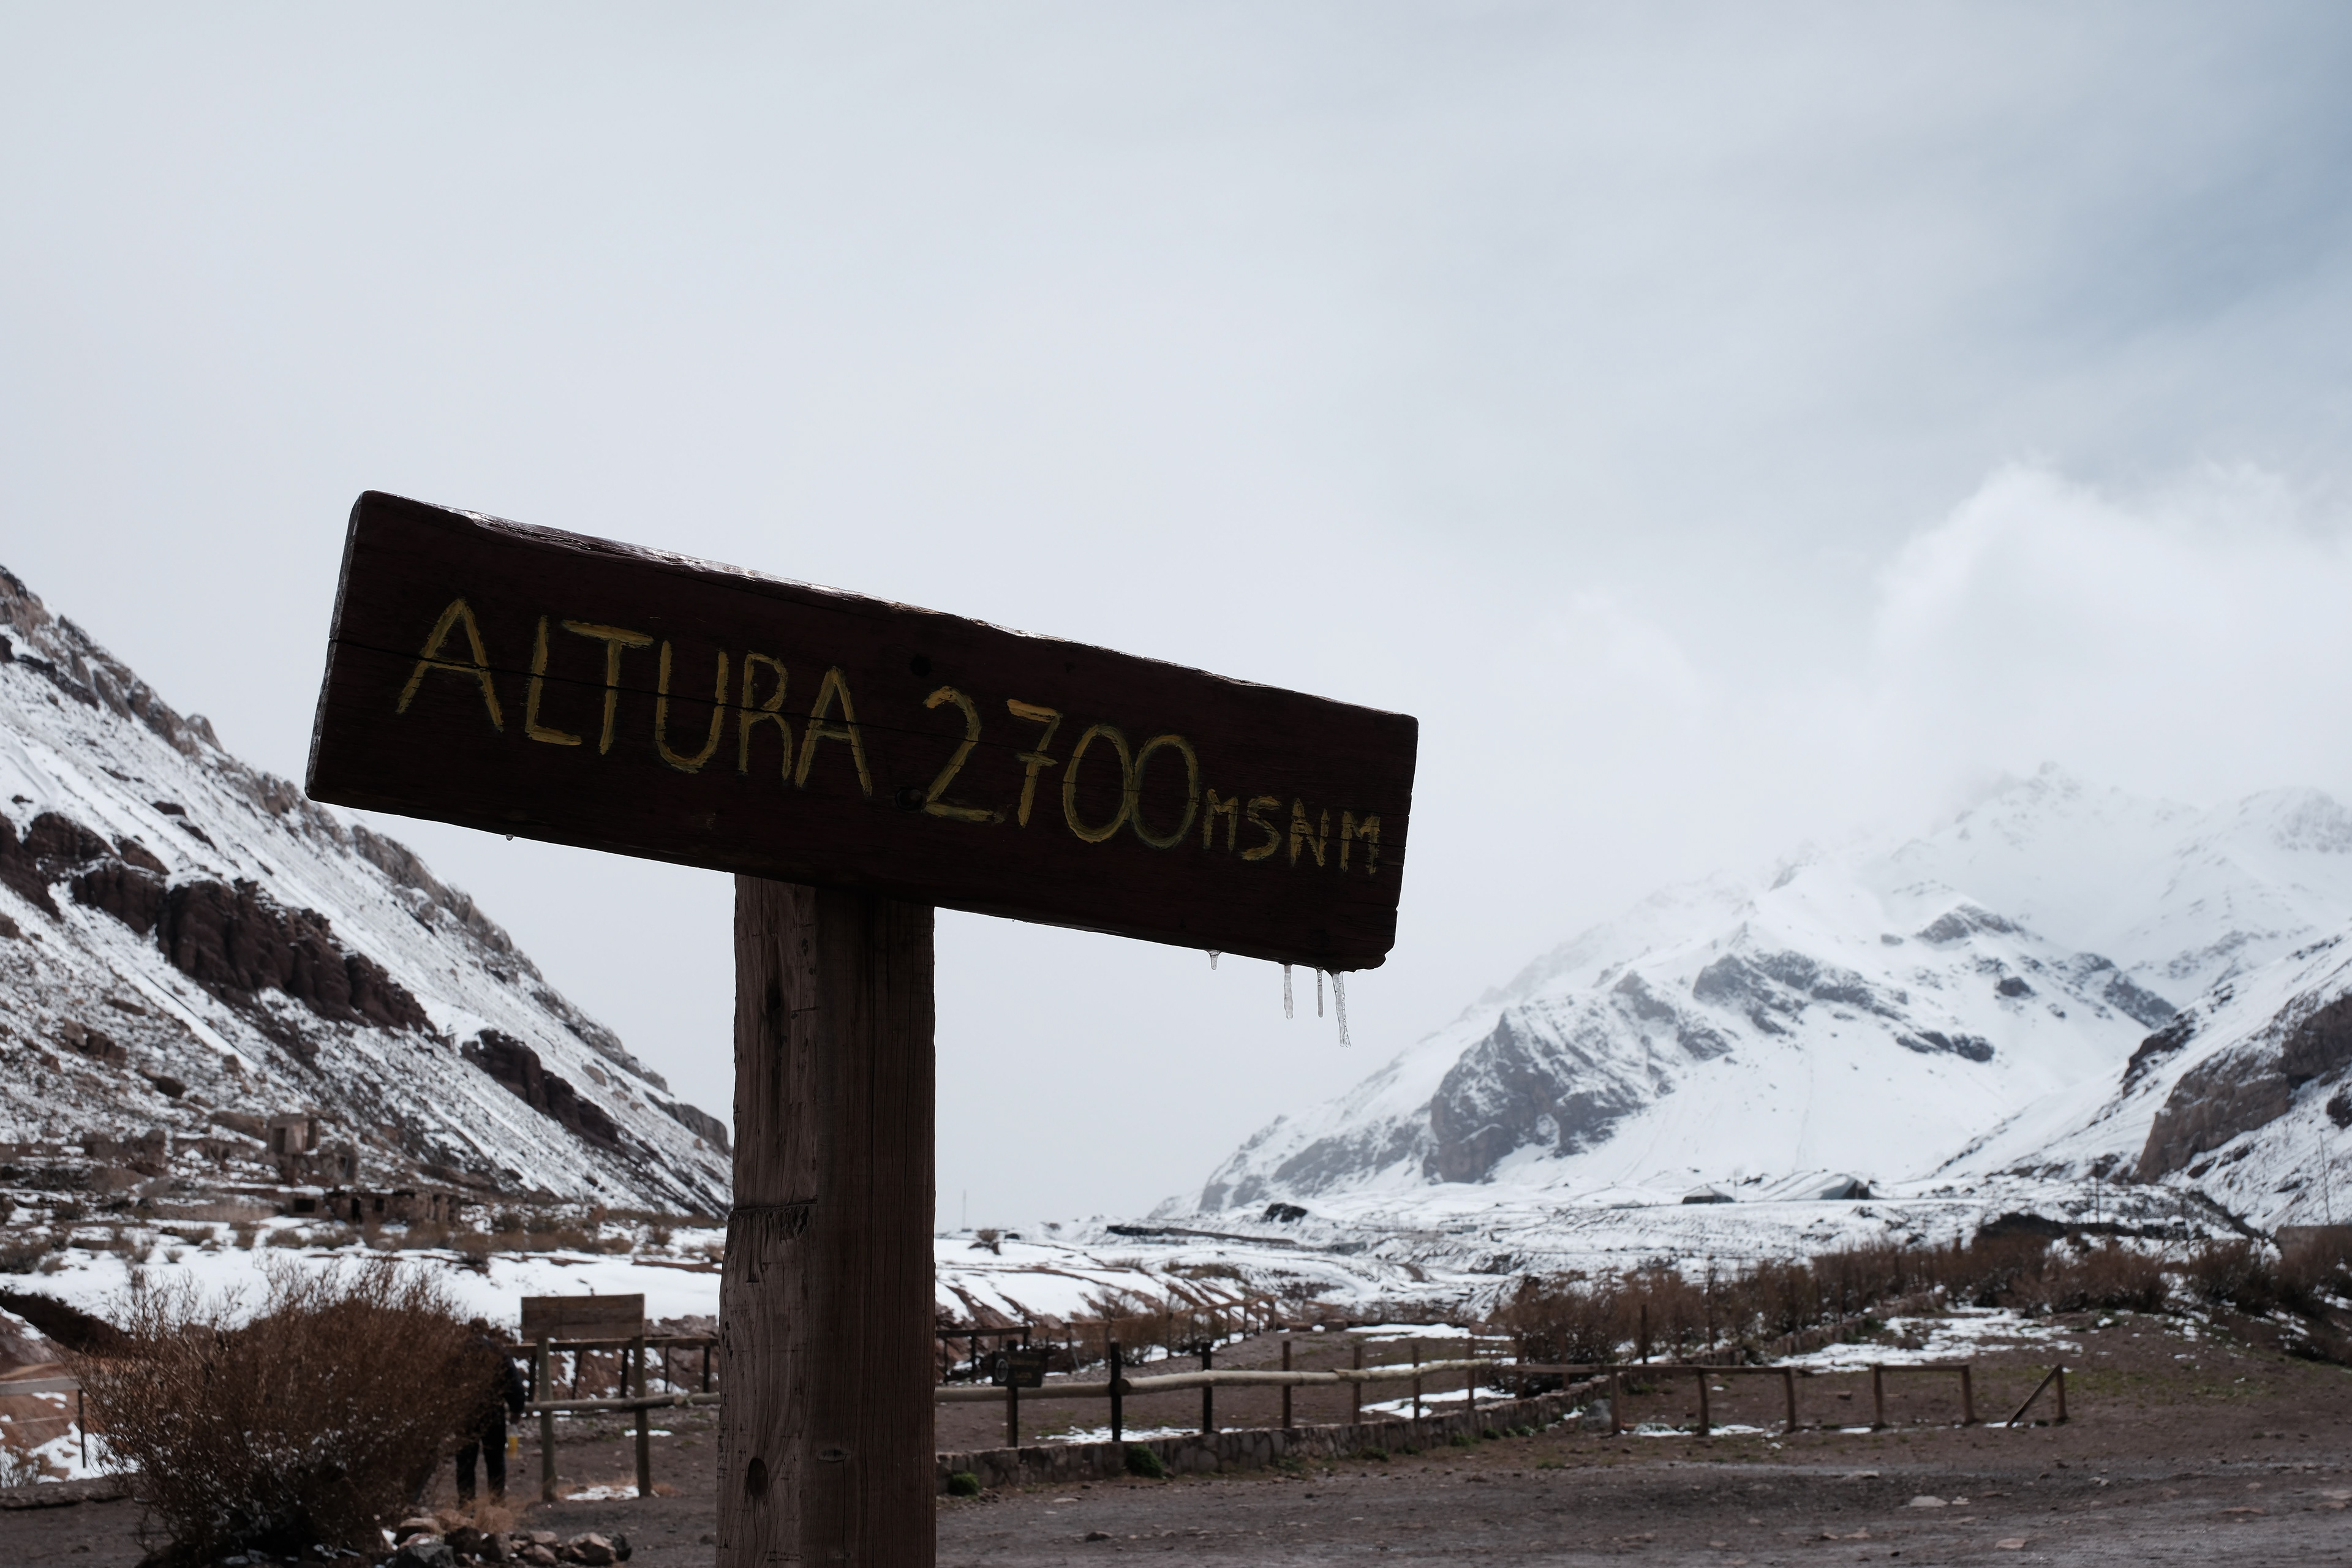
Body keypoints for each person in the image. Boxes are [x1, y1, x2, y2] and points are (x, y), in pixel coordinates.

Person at [455, 1319, 528, 1506]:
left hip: (465, 1413)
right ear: (487, 1330)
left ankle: (466, 1505)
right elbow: (513, 1382)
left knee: (465, 1461)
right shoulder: (498, 1351)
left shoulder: (458, 1351)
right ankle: (496, 1503)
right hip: (492, 1411)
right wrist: (516, 1409)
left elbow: (446, 1381)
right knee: (495, 1460)